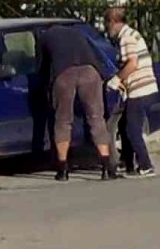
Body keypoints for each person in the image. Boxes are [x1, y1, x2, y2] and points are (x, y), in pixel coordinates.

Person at [38, 24, 119, 182]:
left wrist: (47, 86)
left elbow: (42, 66)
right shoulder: (77, 32)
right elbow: (93, 55)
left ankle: (63, 169)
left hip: (63, 73)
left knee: (63, 121)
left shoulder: (44, 37)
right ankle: (106, 167)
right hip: (90, 71)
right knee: (96, 118)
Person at [105, 7, 159, 178]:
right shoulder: (132, 34)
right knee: (126, 124)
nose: (107, 29)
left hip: (140, 89)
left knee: (132, 129)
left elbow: (132, 64)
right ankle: (127, 162)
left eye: (107, 24)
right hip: (143, 87)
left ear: (113, 22)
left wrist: (117, 79)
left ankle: (146, 165)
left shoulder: (126, 37)